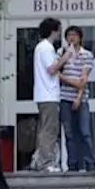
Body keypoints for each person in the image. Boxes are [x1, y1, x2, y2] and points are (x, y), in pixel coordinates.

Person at [29, 17, 69, 172]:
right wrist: (66, 57)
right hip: (48, 94)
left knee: (44, 128)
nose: (59, 34)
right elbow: (52, 69)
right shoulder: (46, 47)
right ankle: (46, 162)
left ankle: (38, 160)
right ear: (54, 31)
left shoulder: (43, 48)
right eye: (58, 30)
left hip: (44, 94)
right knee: (50, 130)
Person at [59, 25, 95, 173]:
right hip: (64, 98)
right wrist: (66, 57)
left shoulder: (86, 54)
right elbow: (56, 71)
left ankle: (91, 163)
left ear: (80, 37)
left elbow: (84, 79)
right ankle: (73, 164)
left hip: (81, 98)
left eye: (74, 35)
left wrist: (78, 97)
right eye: (69, 35)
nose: (72, 38)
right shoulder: (61, 53)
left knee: (85, 132)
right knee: (69, 133)